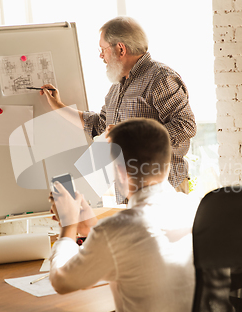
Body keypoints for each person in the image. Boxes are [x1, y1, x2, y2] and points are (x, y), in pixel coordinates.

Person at [48, 119, 199, 312]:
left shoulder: (116, 230)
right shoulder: (193, 208)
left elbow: (62, 281)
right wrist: (91, 229)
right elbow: (137, 247)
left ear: (119, 170)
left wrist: (68, 224)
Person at [40, 16, 196, 194]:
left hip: (163, 189)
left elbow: (186, 125)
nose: (101, 56)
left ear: (120, 48)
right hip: (130, 189)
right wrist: (58, 106)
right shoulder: (117, 86)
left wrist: (132, 138)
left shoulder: (160, 77)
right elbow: (100, 125)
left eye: (103, 49)